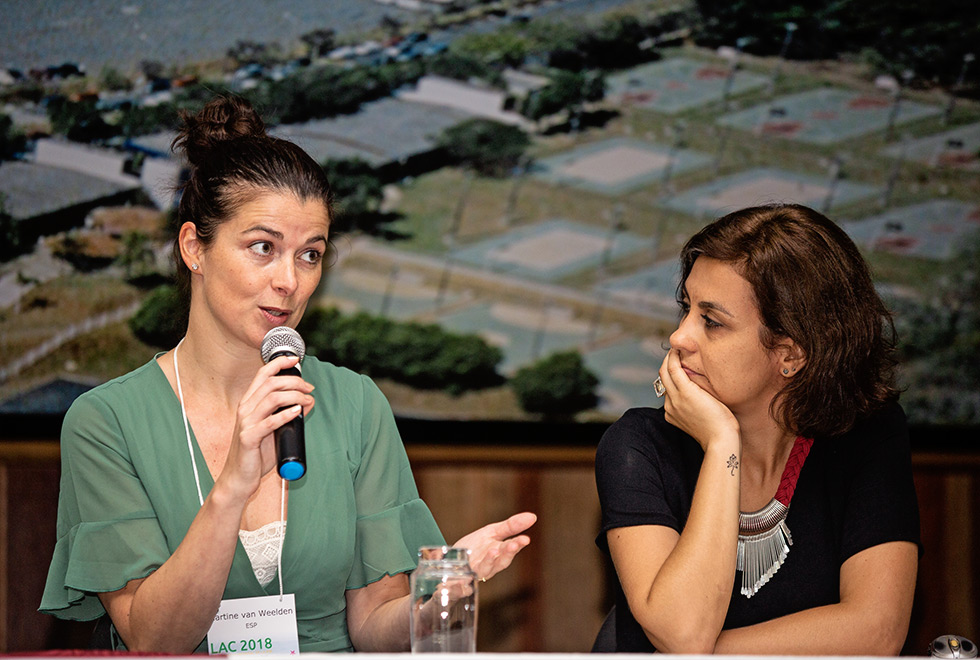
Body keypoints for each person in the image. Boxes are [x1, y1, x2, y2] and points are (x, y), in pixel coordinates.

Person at [39, 95, 536, 653]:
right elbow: (155, 640)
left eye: (309, 255)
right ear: (193, 248)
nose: (288, 280)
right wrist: (232, 486)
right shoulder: (107, 422)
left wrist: (446, 583)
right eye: (262, 247)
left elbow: (373, 629)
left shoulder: (354, 403)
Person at [594, 204, 920, 654]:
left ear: (791, 353)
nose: (679, 337)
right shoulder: (637, 446)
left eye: (711, 321)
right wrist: (722, 443)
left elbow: (877, 632)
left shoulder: (867, 437)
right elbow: (682, 632)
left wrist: (706, 656)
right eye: (686, 309)